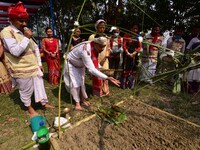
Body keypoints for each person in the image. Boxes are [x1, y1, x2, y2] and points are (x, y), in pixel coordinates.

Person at [0, 2, 54, 117]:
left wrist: (39, 63)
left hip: (33, 66)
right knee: (26, 90)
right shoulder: (6, 32)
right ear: (13, 19)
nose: (24, 24)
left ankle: (43, 103)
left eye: (25, 20)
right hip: (21, 68)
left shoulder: (25, 31)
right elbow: (15, 51)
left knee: (39, 86)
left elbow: (35, 48)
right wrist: (26, 37)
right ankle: (29, 108)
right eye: (21, 21)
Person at [64, 36, 120, 110]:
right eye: (101, 46)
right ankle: (77, 103)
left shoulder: (93, 47)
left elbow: (94, 63)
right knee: (75, 84)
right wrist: (107, 77)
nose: (102, 49)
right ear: (96, 44)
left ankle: (83, 99)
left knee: (81, 82)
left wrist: (102, 69)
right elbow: (91, 69)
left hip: (80, 65)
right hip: (71, 64)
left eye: (104, 46)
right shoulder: (85, 50)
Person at [88, 19, 111, 97]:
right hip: (95, 58)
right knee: (97, 75)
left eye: (103, 27)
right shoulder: (92, 37)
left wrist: (105, 58)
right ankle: (98, 92)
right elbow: (89, 48)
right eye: (100, 27)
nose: (102, 29)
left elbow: (108, 48)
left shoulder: (107, 37)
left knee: (105, 74)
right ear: (96, 27)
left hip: (105, 59)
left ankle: (105, 91)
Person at [121, 23, 142, 89]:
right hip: (127, 55)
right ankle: (123, 84)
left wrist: (134, 53)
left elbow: (139, 46)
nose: (135, 30)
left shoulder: (138, 37)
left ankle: (130, 84)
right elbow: (124, 45)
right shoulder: (126, 35)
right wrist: (127, 53)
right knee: (126, 68)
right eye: (134, 28)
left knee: (133, 68)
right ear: (131, 29)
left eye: (136, 29)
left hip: (134, 55)